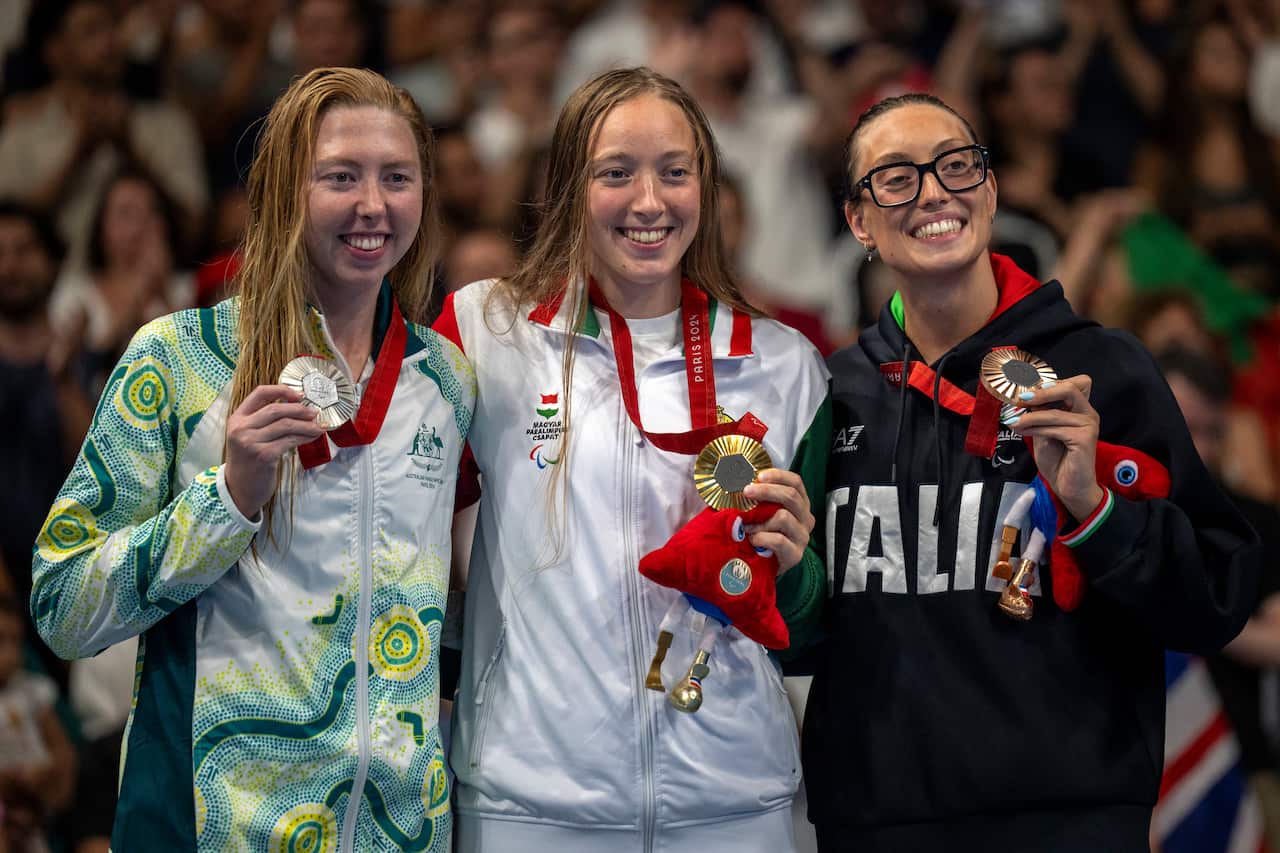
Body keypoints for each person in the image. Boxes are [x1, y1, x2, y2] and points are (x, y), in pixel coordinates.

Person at [30, 67, 474, 851]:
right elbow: (62, 605)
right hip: (217, 825)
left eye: (396, 178)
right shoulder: (177, 360)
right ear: (279, 192)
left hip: (399, 831)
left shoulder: (447, 379)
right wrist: (227, 498)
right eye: (340, 177)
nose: (372, 204)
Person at [805, 92, 1260, 852]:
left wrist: (1095, 509)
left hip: (1070, 820)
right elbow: (813, 630)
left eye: (956, 166)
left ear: (988, 190)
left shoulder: (1102, 371)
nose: (934, 192)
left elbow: (1214, 597)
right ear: (859, 221)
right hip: (877, 824)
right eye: (896, 178)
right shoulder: (835, 392)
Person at [433, 66, 830, 851]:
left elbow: (814, 625)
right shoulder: (488, 334)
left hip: (734, 803)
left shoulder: (787, 365)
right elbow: (399, 520)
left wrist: (796, 570)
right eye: (615, 173)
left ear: (705, 187)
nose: (649, 202)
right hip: (531, 804)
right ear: (570, 186)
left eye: (674, 172)